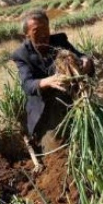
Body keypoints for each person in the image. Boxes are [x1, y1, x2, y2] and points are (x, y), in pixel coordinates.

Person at [11, 8, 95, 146]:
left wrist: (87, 62)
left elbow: (80, 56)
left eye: (46, 29)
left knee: (90, 134)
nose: (44, 35)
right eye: (37, 32)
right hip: (46, 108)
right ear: (27, 34)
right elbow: (27, 85)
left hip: (73, 100)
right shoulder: (21, 55)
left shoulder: (59, 41)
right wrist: (47, 81)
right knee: (56, 147)